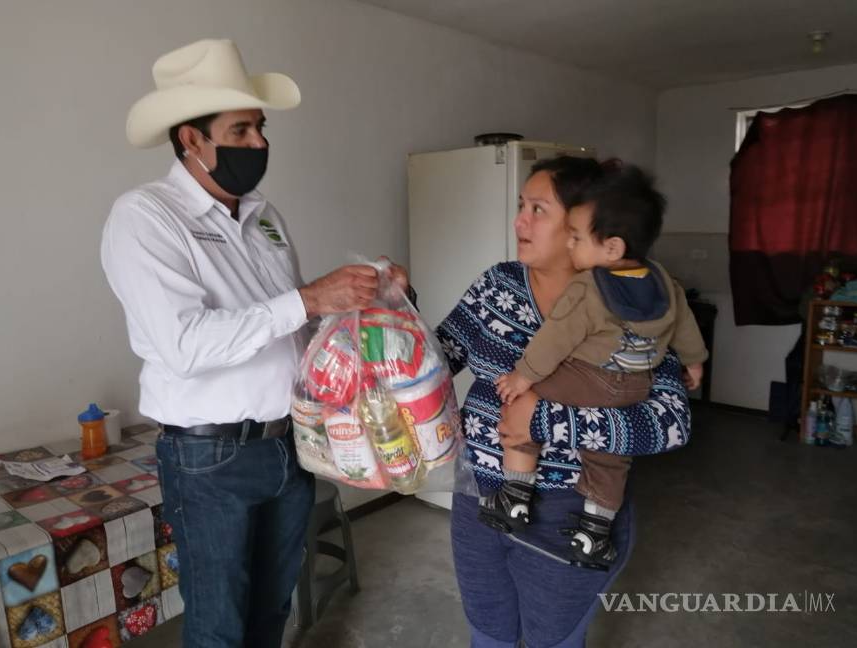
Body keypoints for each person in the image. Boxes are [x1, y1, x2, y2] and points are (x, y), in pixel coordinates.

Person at [101, 39, 406, 648]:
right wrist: (312, 299)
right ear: (192, 139)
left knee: (272, 610)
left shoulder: (264, 216)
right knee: (219, 625)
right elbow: (183, 344)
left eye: (260, 127)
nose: (259, 143)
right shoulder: (146, 217)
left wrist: (364, 304)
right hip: (211, 461)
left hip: (287, 445)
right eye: (240, 129)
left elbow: (289, 327)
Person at [435, 156, 692, 648]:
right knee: (488, 634)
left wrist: (547, 420)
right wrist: (391, 317)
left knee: (553, 639)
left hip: (570, 511)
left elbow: (671, 421)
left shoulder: (632, 305)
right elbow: (440, 356)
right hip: (477, 497)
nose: (519, 221)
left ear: (582, 223)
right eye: (520, 206)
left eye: (538, 209)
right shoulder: (498, 285)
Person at [486, 162, 707, 570]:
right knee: (608, 455)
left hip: (588, 379)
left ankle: (515, 496)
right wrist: (694, 362)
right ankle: (594, 532)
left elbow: (553, 342)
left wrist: (523, 379)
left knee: (522, 404)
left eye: (575, 236)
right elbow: (685, 323)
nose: (571, 245)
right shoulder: (663, 281)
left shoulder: (587, 288)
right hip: (634, 384)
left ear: (612, 248)